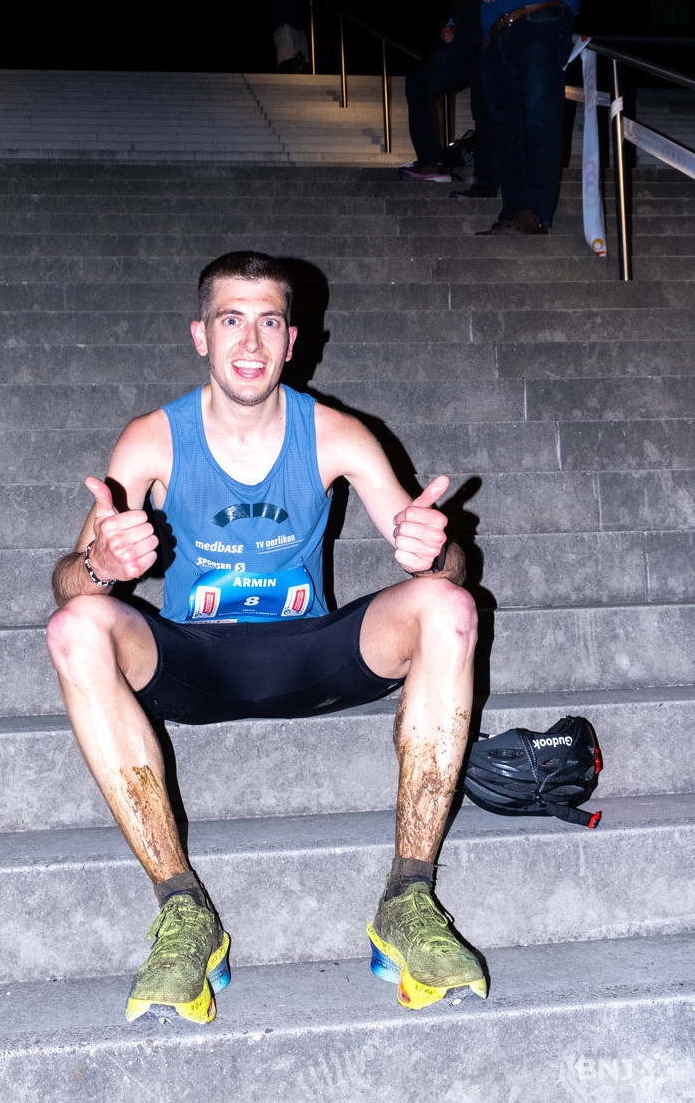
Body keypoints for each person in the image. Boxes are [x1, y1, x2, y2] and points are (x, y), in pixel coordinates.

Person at [46, 251, 485, 1025]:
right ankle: (183, 910)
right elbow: (69, 583)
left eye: (269, 322)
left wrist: (437, 550)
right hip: (195, 659)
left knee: (449, 607)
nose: (250, 342)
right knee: (75, 626)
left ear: (292, 341)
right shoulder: (152, 440)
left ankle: (408, 898)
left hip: (311, 653)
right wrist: (100, 564)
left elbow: (440, 559)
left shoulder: (337, 434)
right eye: (231, 320)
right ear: (201, 336)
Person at [475, 0, 590, 235]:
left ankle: (534, 211)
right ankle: (513, 211)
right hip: (497, 39)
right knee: (507, 129)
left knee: (539, 115)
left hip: (540, 23)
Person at [400, 0, 504, 197]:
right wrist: (450, 22)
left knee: (484, 105)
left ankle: (486, 183)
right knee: (420, 79)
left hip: (489, 30)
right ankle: (432, 161)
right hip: (463, 34)